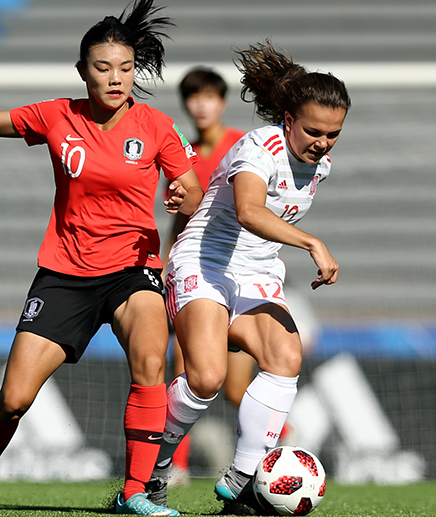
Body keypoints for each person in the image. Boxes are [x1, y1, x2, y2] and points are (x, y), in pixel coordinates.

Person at [0, 1, 202, 515]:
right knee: (14, 400)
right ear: (82, 71)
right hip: (65, 275)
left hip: (133, 270)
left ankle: (134, 493)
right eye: (103, 68)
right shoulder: (57, 116)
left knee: (149, 363)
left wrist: (185, 194)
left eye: (125, 67)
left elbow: (190, 184)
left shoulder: (157, 126)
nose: (116, 78)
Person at [148, 40, 349, 510]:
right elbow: (247, 211)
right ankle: (152, 468)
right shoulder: (260, 145)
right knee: (206, 379)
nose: (322, 142)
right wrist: (312, 243)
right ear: (288, 119)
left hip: (256, 272)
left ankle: (240, 477)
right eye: (314, 130)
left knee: (286, 354)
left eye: (334, 133)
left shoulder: (320, 167)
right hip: (204, 263)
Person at [162, 67, 250, 483]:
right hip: (196, 272)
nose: (201, 104)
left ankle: (278, 442)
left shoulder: (244, 146)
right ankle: (172, 467)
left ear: (222, 102)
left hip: (239, 273)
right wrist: (165, 262)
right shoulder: (183, 156)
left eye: (209, 96)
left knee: (235, 388)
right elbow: (179, 222)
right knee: (183, 366)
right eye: (193, 97)